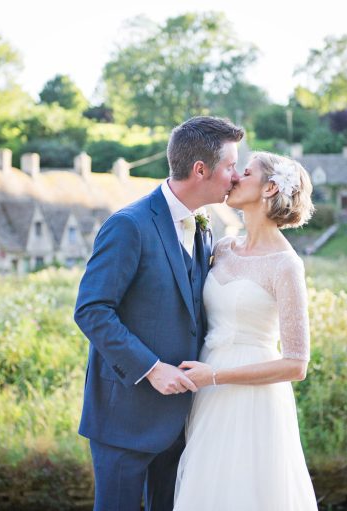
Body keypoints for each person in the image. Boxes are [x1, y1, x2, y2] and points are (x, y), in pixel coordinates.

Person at [73, 116, 244, 511]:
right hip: (124, 417)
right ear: (200, 170)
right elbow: (92, 310)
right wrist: (151, 369)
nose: (236, 176)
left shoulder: (203, 227)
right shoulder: (128, 225)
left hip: (182, 421)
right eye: (231, 166)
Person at [173, 152, 318, 510]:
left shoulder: (285, 265)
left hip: (251, 397)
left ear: (269, 188)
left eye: (247, 172)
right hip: (207, 391)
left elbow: (296, 364)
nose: (235, 177)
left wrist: (216, 376)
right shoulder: (223, 248)